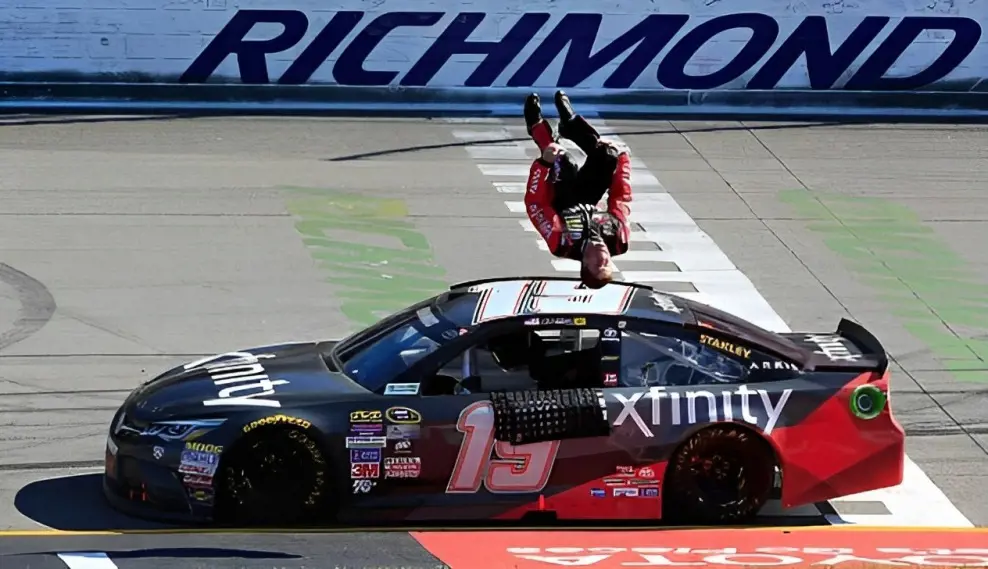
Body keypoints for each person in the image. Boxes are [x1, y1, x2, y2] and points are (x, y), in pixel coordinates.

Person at [523, 91, 632, 289]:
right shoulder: (618, 240)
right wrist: (623, 160)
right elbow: (620, 199)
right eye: (608, 264)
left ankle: (536, 125)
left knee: (563, 159)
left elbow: (535, 205)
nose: (605, 258)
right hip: (589, 196)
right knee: (609, 154)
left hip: (559, 195)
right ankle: (571, 124)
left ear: (585, 264)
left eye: (599, 264)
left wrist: (543, 165)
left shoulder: (562, 243)